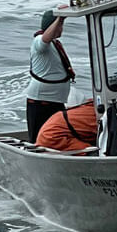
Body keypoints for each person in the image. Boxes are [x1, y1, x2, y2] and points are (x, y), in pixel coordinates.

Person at [26, 9, 75, 142]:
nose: (61, 29)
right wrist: (59, 19)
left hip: (56, 101)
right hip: (41, 101)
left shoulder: (55, 43)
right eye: (59, 26)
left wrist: (62, 19)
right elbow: (45, 39)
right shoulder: (39, 42)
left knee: (55, 134)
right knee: (39, 138)